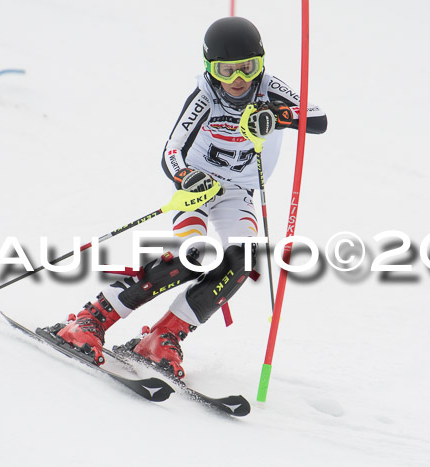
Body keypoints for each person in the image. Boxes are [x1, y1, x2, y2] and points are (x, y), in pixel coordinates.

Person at [54, 16, 327, 378]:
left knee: (243, 261)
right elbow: (171, 151)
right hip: (197, 187)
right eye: (225, 71)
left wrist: (278, 114)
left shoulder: (269, 88)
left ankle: (162, 337)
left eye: (247, 68)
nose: (238, 80)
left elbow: (319, 117)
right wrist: (186, 176)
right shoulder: (205, 96)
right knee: (193, 255)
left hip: (237, 192)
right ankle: (90, 320)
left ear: (260, 62)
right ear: (210, 68)